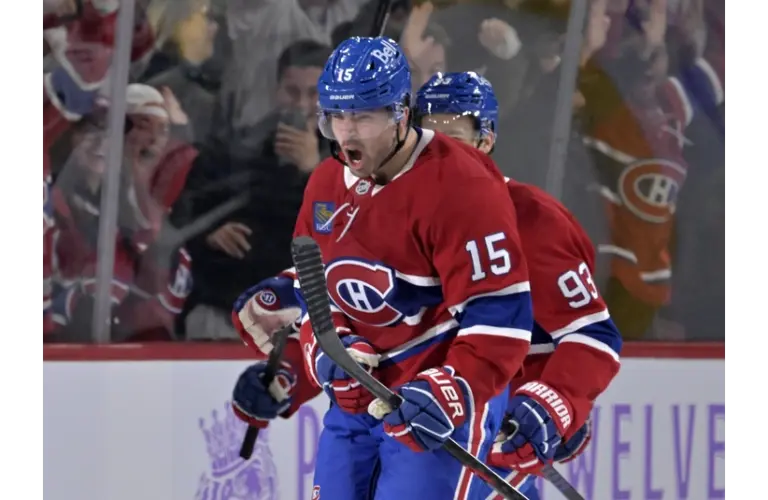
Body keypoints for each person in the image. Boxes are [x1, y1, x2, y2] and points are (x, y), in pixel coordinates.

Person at [231, 71, 623, 499]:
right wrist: (289, 374)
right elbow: (387, 323)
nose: (438, 149)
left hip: (488, 430)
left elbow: (590, 335)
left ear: (487, 140)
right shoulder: (397, 201)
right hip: (409, 410)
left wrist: (553, 405)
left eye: (453, 137)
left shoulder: (532, 221)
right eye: (429, 135)